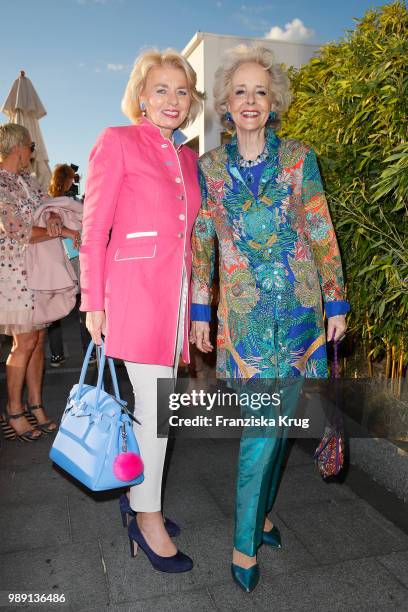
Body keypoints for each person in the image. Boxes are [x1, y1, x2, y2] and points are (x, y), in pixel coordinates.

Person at [190, 45, 349, 592]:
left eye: (261, 90)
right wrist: (200, 309)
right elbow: (203, 243)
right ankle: (243, 538)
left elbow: (322, 232)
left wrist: (336, 300)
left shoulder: (300, 158)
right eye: (241, 91)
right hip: (247, 320)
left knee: (282, 424)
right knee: (262, 430)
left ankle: (259, 517)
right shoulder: (208, 167)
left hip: (302, 315)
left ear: (273, 100)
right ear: (225, 105)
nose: (251, 100)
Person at [80, 48, 204, 573]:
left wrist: (197, 308)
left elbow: (191, 236)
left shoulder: (188, 157)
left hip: (172, 302)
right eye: (162, 89)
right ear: (142, 96)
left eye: (182, 91)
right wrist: (93, 301)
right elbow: (94, 227)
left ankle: (138, 501)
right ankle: (146, 517)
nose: (172, 100)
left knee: (151, 411)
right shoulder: (118, 141)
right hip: (132, 295)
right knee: (155, 414)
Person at [0, 124, 79, 441]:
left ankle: (36, 405)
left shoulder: (28, 182)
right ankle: (14, 409)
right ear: (18, 146)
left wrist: (54, 219)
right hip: (14, 274)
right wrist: (61, 232)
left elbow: (45, 210)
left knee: (38, 343)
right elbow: (16, 231)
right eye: (30, 145)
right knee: (25, 343)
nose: (32, 151)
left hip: (39, 272)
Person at [46, 164, 92, 367]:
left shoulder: (47, 202)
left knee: (55, 309)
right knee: (84, 304)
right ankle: (89, 352)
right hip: (75, 258)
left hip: (55, 259)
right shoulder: (72, 202)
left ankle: (57, 354)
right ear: (68, 180)